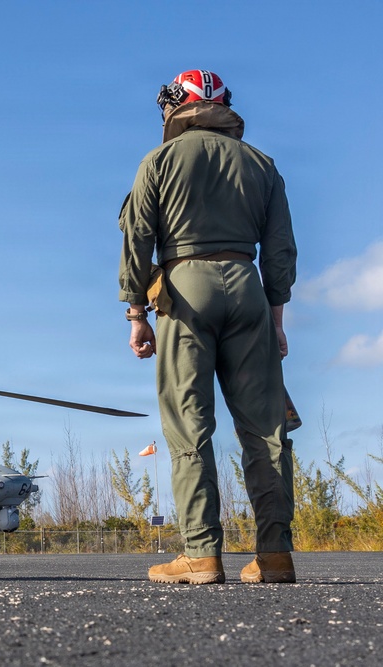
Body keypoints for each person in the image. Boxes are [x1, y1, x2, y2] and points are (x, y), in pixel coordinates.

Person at [119, 70, 297, 585]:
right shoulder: (263, 165)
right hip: (248, 288)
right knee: (266, 429)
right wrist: (276, 317)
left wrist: (136, 316)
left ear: (184, 106)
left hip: (183, 289)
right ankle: (275, 555)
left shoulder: (158, 162)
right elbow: (280, 249)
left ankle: (201, 555)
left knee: (189, 427)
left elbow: (137, 243)